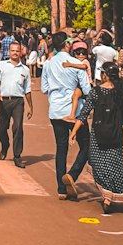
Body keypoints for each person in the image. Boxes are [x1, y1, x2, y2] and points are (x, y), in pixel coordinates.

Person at [42, 31, 92, 199]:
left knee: (61, 148)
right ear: (67, 44)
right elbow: (87, 90)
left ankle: (61, 189)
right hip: (75, 111)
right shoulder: (75, 63)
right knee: (86, 145)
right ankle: (72, 174)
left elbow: (44, 88)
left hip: (56, 110)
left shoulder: (48, 64)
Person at [85, 61, 123, 211]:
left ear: (104, 75)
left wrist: (73, 131)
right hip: (116, 133)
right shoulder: (122, 91)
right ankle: (111, 196)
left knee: (97, 163)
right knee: (115, 164)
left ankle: (107, 197)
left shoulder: (95, 91)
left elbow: (85, 111)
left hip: (98, 134)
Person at [0, 41, 33, 168]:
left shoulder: (25, 70)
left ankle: (17, 156)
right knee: (2, 128)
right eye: (13, 50)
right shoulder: (1, 65)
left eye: (17, 51)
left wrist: (31, 106)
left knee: (18, 127)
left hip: (18, 102)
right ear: (9, 52)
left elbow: (27, 89)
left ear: (21, 52)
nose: (15, 53)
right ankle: (5, 146)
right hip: (4, 100)